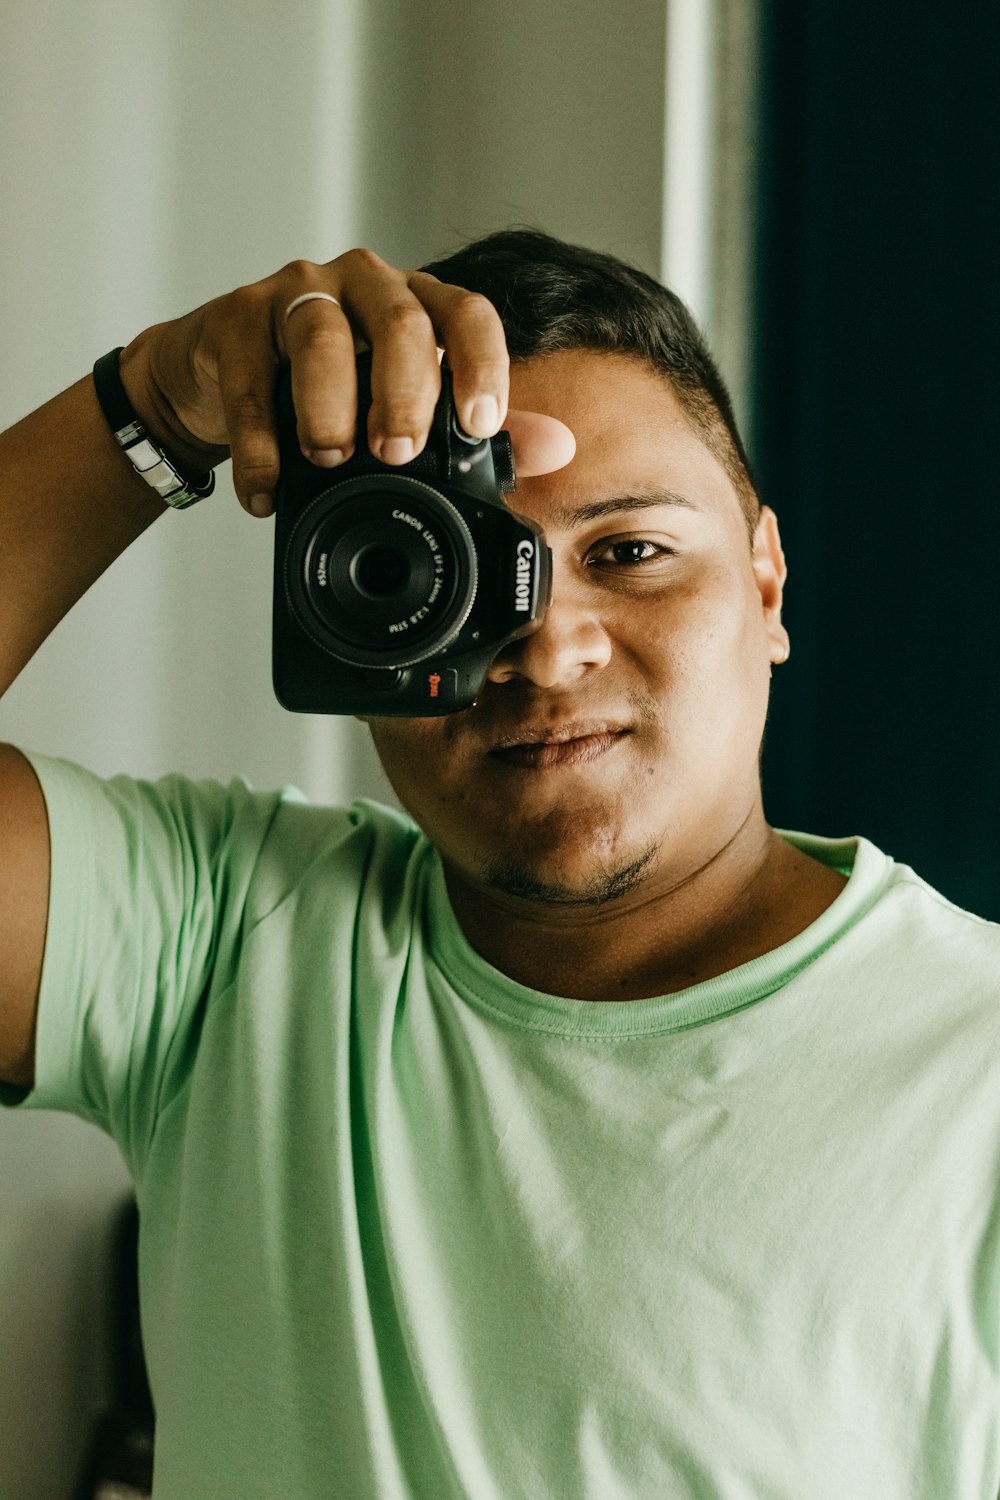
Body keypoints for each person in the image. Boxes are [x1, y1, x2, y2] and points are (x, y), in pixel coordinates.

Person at [1, 229, 998, 1500]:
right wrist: (152, 407)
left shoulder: (978, 1074)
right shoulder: (224, 942)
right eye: (444, 574)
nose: (544, 647)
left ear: (764, 577)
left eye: (628, 552)